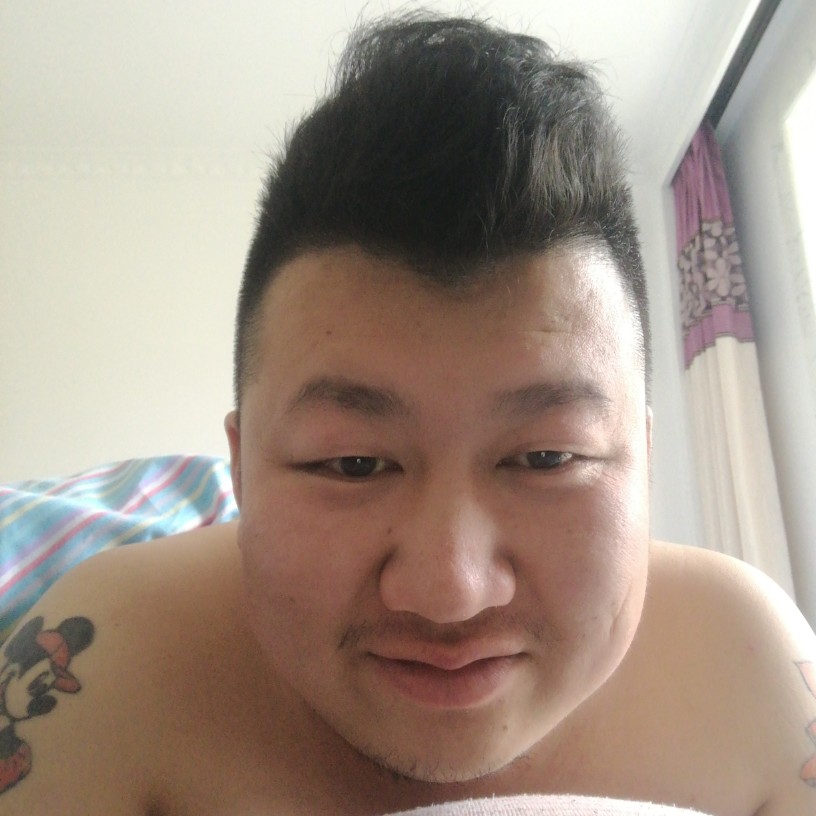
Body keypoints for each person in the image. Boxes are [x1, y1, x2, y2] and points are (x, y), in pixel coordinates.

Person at [1, 13, 814, 816]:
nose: (449, 591)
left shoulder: (752, 672)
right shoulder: (106, 665)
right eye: (353, 463)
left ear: (644, 459)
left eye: (546, 458)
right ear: (240, 471)